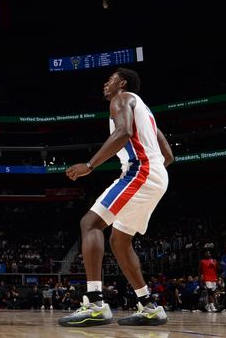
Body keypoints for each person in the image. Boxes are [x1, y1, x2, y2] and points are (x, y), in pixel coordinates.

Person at [59, 68, 173, 327]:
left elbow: (122, 134)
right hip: (155, 175)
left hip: (140, 171)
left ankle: (96, 303)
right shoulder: (145, 111)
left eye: (110, 79)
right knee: (120, 241)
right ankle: (149, 306)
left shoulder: (121, 99)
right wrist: (153, 177)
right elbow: (168, 155)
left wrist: (89, 166)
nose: (105, 84)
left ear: (121, 83)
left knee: (90, 223)